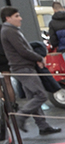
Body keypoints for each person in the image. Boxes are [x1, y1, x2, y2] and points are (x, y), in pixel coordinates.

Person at [1, 7, 61, 135]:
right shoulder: (10, 31)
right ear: (8, 18)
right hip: (23, 67)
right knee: (41, 95)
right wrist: (39, 58)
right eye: (16, 16)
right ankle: (21, 116)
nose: (20, 18)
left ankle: (43, 126)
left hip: (23, 66)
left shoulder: (10, 30)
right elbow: (22, 50)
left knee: (33, 97)